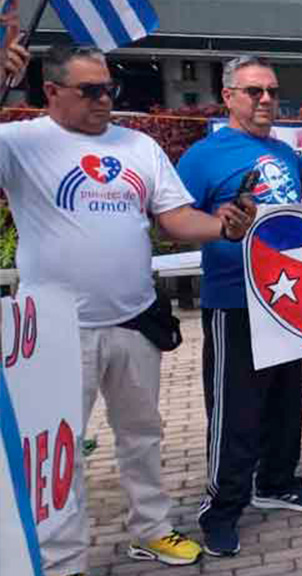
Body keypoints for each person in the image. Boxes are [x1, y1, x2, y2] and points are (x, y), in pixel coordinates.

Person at [0, 45, 253, 574]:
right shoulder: (19, 142)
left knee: (142, 434)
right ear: (51, 92)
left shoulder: (138, 145)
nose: (103, 100)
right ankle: (61, 559)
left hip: (134, 319)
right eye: (89, 90)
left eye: (108, 89)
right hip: (56, 331)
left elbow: (177, 218)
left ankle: (151, 529)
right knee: (57, 450)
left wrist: (224, 226)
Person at [178, 55, 302, 558]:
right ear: (228, 96)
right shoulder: (204, 156)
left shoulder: (285, 154)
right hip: (234, 299)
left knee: (287, 402)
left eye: (271, 91)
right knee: (236, 412)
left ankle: (277, 481)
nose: (265, 99)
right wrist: (216, 218)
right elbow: (171, 217)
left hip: (288, 300)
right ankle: (221, 509)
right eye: (253, 91)